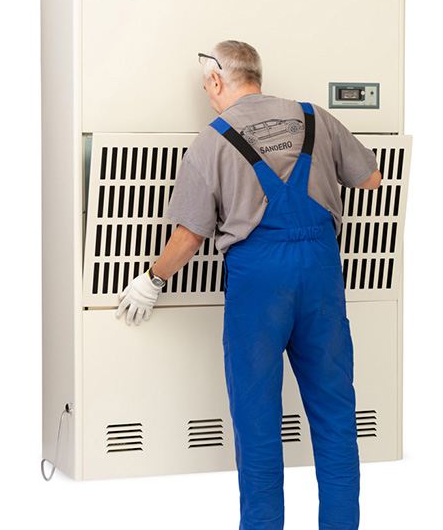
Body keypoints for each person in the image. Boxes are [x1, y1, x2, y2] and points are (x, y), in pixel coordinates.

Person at [116, 40, 381, 530]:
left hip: (260, 283)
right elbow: (371, 180)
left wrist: (151, 280)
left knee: (258, 425)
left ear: (217, 80)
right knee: (336, 416)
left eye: (206, 88)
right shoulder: (316, 118)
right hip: (321, 273)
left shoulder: (211, 141)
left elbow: (190, 236)